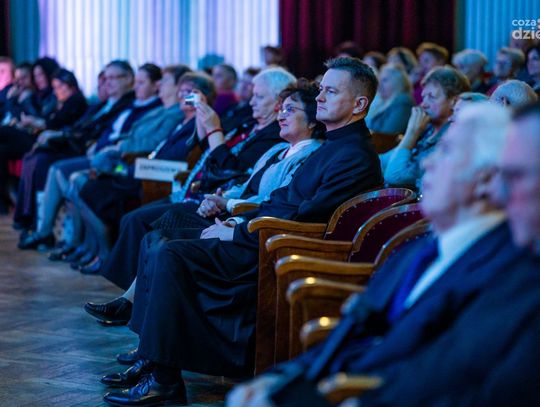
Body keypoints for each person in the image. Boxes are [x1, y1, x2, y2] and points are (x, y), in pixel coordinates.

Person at [101, 57, 383, 406]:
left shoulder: (354, 155)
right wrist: (236, 223)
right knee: (159, 239)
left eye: (331, 91)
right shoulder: (335, 146)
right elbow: (282, 200)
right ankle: (152, 361)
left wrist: (236, 233)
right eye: (322, 89)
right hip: (262, 236)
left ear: (359, 104)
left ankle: (164, 380)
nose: (320, 97)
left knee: (170, 251)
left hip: (276, 252)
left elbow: (304, 217)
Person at [227, 101, 538, 407]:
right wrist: (278, 379)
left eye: (445, 151)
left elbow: (445, 378)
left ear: (487, 179)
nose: (427, 163)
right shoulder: (417, 249)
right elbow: (349, 337)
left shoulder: (510, 275)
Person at [84, 80, 325, 324]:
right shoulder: (277, 150)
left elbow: (272, 200)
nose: (280, 115)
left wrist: (229, 206)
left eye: (289, 110)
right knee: (163, 227)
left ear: (313, 120)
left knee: (169, 226)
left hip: (248, 225)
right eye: (281, 109)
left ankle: (136, 307)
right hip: (232, 210)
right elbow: (245, 184)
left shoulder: (310, 155)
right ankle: (134, 304)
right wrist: (220, 198)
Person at [96, 67, 292, 289]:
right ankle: (133, 292)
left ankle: (135, 293)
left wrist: (213, 129)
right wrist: (204, 119)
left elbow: (230, 170)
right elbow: (207, 150)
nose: (251, 101)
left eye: (259, 96)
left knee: (138, 221)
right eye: (253, 95)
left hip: (214, 200)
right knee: (131, 217)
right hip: (195, 189)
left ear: (279, 102)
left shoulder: (274, 136)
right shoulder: (248, 122)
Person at [12, 60, 135, 232]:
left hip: (100, 156)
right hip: (84, 148)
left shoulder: (126, 105)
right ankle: (33, 220)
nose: (107, 83)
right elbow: (79, 127)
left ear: (129, 79)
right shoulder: (102, 105)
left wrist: (58, 133)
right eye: (105, 79)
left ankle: (45, 228)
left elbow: (94, 133)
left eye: (113, 78)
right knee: (34, 156)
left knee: (50, 165)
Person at [380, 65, 470, 189]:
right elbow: (383, 160)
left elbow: (395, 177)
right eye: (424, 97)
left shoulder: (450, 138)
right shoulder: (428, 129)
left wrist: (411, 133)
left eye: (431, 97)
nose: (423, 104)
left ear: (454, 102)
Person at [365, 63, 413, 134]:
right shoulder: (382, 101)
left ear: (398, 82)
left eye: (385, 80)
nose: (379, 84)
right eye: (379, 80)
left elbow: (388, 134)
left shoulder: (403, 102)